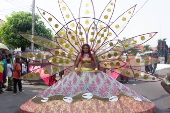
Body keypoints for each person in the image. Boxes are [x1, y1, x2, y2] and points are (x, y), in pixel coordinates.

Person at [23, 44, 155, 112]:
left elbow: (96, 64)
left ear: (89, 48)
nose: (85, 49)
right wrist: (76, 70)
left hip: (93, 73)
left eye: (87, 47)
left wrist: (96, 69)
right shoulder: (79, 56)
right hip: (80, 74)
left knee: (97, 90)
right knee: (77, 90)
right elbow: (76, 65)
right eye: (84, 48)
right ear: (82, 48)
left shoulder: (92, 55)